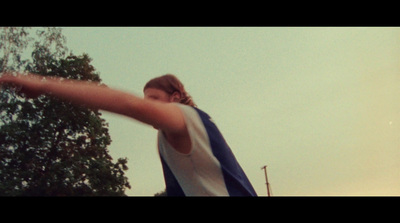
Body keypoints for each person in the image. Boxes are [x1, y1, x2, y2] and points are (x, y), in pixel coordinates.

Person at [0, 73, 257, 196]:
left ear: (175, 98)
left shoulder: (185, 118)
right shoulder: (166, 142)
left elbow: (129, 104)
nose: (149, 105)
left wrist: (45, 86)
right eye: (147, 99)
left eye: (154, 100)